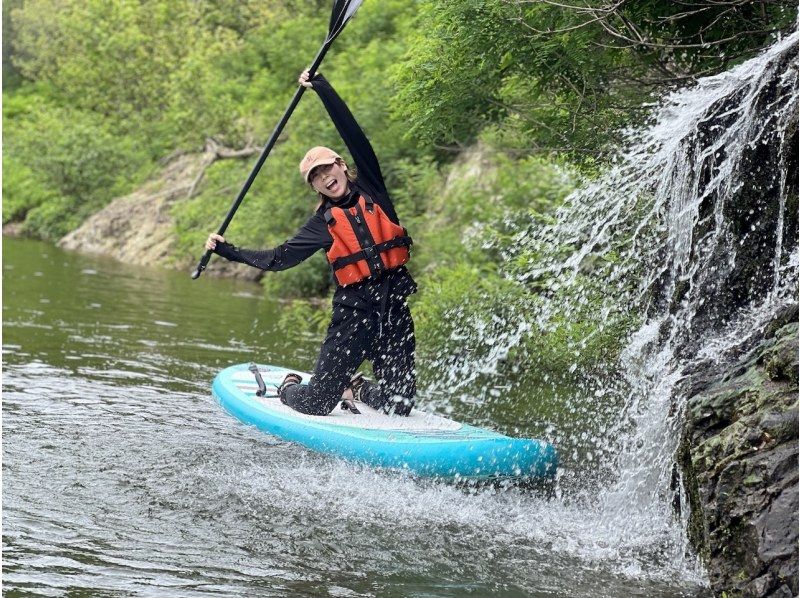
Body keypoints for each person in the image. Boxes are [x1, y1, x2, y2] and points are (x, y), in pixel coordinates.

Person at [206, 70, 417, 417]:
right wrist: (227, 250)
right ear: (315, 187)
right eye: (316, 177)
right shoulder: (323, 223)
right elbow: (278, 259)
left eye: (326, 169)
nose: (324, 178)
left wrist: (322, 87)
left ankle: (359, 388)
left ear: (341, 165)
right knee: (319, 404)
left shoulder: (373, 190)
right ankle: (290, 386)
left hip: (393, 308)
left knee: (401, 405)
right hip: (354, 315)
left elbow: (353, 133)